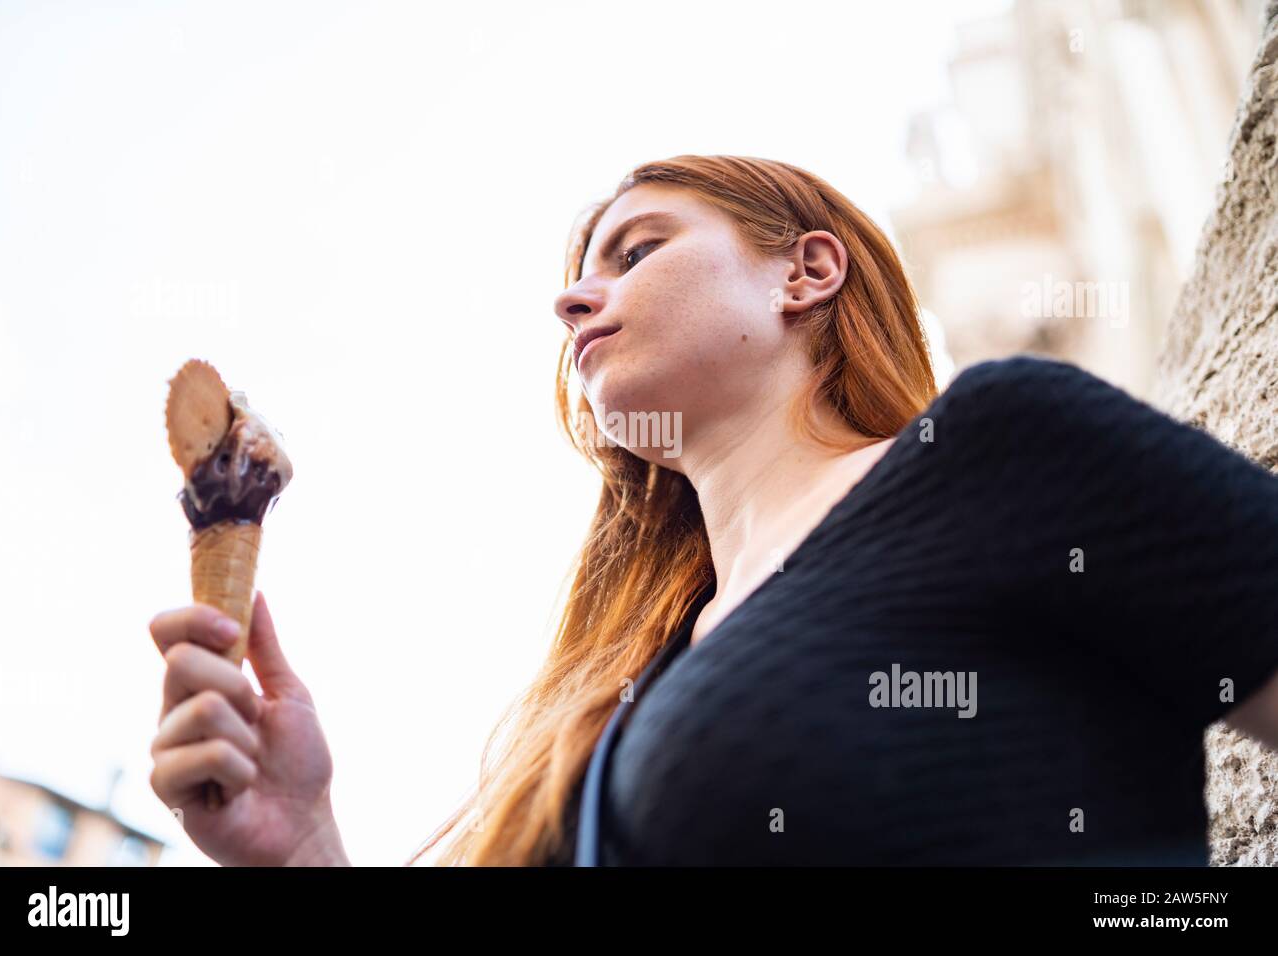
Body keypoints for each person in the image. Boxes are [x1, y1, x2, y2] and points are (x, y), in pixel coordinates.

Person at [148, 154, 1278, 866]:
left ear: (806, 273)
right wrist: (299, 845)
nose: (570, 293)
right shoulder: (613, 687)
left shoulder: (1005, 447)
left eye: (635, 250)